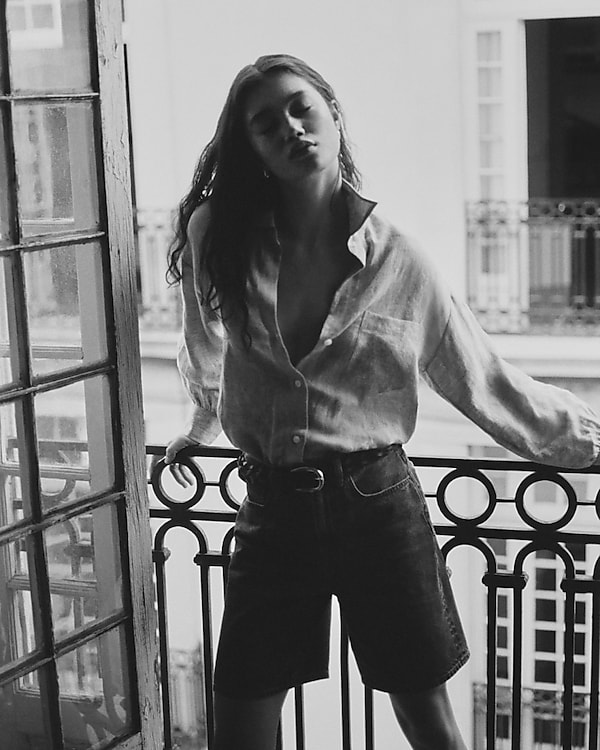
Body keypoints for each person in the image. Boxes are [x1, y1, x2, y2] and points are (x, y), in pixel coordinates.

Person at [164, 54, 600, 750]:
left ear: (333, 114)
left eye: (301, 107)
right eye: (265, 124)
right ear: (251, 149)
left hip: (377, 506)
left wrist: (589, 444)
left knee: (429, 724)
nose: (290, 128)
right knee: (239, 727)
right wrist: (201, 421)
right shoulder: (222, 236)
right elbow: (204, 339)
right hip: (272, 510)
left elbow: (483, 379)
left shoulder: (403, 261)